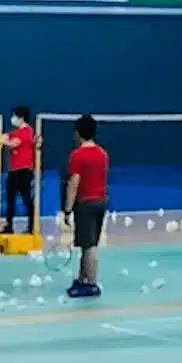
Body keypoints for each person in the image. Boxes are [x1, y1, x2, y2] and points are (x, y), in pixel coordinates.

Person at [64, 115, 109, 298]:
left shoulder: (77, 155)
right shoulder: (103, 154)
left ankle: (91, 284)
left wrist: (67, 209)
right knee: (87, 243)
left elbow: (74, 182)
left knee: (89, 246)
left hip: (86, 204)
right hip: (100, 202)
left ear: (77, 133)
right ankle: (83, 279)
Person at [0, 106, 38, 234]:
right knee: (10, 199)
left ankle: (31, 227)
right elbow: (2, 138)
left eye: (15, 116)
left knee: (27, 199)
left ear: (21, 117)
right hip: (14, 170)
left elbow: (11, 144)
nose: (13, 119)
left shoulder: (27, 131)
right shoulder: (14, 132)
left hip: (24, 170)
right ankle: (9, 226)